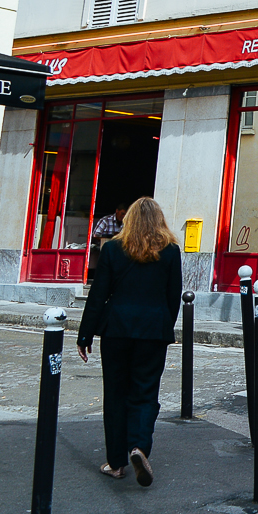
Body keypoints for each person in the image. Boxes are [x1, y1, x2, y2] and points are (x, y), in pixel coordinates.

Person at [76, 197, 182, 486]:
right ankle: (139, 447)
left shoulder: (112, 249)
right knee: (145, 393)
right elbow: (173, 296)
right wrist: (163, 325)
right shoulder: (171, 251)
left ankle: (116, 463)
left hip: (117, 329)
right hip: (153, 330)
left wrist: (85, 334)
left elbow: (98, 294)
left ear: (129, 219)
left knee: (115, 394)